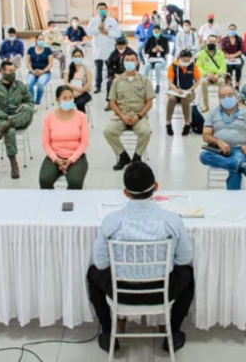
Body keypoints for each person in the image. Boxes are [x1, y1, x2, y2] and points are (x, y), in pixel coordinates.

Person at [87, 162, 194, 353]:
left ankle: (108, 331)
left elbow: (101, 263)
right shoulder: (172, 220)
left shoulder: (112, 221)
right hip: (162, 292)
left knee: (92, 273)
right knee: (188, 273)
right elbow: (184, 259)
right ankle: (174, 332)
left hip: (121, 291)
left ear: (126, 193)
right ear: (156, 187)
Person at [200, 85, 246, 190]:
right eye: (223, 96)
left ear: (236, 97)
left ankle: (233, 199)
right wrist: (219, 142)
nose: (226, 98)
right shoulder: (212, 114)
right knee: (204, 156)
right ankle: (239, 165)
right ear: (219, 99)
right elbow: (206, 135)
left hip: (238, 149)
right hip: (217, 149)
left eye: (230, 95)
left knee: (235, 168)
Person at [104, 52, 154, 170]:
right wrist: (122, 116)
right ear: (123, 62)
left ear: (137, 62)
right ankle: (123, 156)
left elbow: (149, 102)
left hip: (139, 115)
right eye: (127, 60)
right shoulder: (117, 81)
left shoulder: (144, 80)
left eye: (132, 60)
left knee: (146, 132)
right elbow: (112, 102)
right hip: (121, 115)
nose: (130, 62)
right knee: (108, 131)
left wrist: (139, 116)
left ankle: (137, 157)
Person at [0, 61, 35, 179]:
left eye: (13, 71)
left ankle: (6, 125)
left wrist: (25, 106)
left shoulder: (20, 85)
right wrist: (6, 117)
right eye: (9, 71)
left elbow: (30, 101)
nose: (12, 73)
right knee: (10, 131)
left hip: (19, 116)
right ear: (2, 71)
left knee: (28, 110)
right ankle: (14, 163)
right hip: (0, 119)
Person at [40, 85, 90, 190]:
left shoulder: (81, 116)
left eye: (70, 98)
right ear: (57, 100)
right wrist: (55, 159)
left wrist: (71, 159)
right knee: (44, 180)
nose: (68, 100)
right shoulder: (49, 118)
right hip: (54, 156)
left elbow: (84, 143)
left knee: (75, 182)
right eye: (64, 98)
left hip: (76, 157)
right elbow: (46, 143)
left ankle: (71, 204)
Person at [87, 2, 122, 95]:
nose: (102, 10)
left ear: (106, 10)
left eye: (103, 8)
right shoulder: (93, 20)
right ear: (97, 10)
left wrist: (107, 32)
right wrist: (98, 29)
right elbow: (89, 33)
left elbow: (118, 33)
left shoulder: (112, 21)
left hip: (109, 49)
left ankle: (111, 87)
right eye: (100, 9)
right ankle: (97, 86)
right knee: (98, 69)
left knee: (110, 69)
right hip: (98, 49)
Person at [166, 50, 201, 136]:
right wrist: (176, 90)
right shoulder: (173, 66)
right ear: (179, 58)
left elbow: (197, 81)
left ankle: (187, 124)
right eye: (184, 60)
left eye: (187, 60)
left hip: (188, 91)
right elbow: (170, 82)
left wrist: (190, 89)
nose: (186, 62)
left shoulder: (193, 66)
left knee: (185, 100)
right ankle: (168, 123)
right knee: (171, 99)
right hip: (175, 91)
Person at [196, 35, 227, 112]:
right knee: (203, 82)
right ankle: (205, 105)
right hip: (206, 76)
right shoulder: (201, 54)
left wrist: (217, 75)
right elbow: (198, 67)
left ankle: (222, 104)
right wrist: (207, 74)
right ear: (206, 42)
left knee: (222, 82)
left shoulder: (220, 54)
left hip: (217, 75)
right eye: (210, 41)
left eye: (214, 42)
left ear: (216, 43)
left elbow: (223, 67)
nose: (211, 43)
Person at [105, 37, 137, 108]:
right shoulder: (114, 53)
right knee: (110, 82)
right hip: (117, 72)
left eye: (122, 45)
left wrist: (130, 72)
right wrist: (114, 73)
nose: (120, 46)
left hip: (129, 72)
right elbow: (109, 65)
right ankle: (110, 102)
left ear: (125, 45)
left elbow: (136, 63)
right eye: (119, 45)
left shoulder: (130, 52)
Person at [25, 35, 54, 105]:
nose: (41, 41)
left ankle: (37, 101)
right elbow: (27, 63)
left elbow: (50, 64)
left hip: (45, 73)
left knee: (40, 84)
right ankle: (31, 101)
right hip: (32, 72)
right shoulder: (30, 50)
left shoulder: (48, 50)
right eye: (40, 39)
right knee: (28, 84)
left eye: (43, 40)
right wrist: (32, 71)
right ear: (36, 40)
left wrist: (43, 71)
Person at [65, 48, 93, 113]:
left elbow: (88, 83)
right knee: (65, 104)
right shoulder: (68, 68)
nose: (77, 58)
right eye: (75, 56)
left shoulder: (87, 69)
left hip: (84, 92)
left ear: (82, 57)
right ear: (72, 57)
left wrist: (80, 91)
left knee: (79, 103)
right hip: (71, 92)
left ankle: (82, 121)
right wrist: (72, 93)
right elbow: (66, 83)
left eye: (79, 56)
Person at [143, 26, 170, 94]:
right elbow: (145, 51)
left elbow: (168, 51)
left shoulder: (164, 39)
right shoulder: (150, 39)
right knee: (147, 66)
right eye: (155, 32)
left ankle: (158, 85)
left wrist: (162, 50)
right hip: (152, 59)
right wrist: (152, 50)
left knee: (157, 66)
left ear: (160, 31)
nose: (156, 33)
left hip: (161, 59)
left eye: (157, 32)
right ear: (153, 32)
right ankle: (145, 84)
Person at [221, 23, 244, 89]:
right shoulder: (224, 39)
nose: (232, 30)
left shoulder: (239, 39)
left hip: (237, 57)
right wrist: (229, 57)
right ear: (228, 30)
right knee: (228, 66)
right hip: (227, 58)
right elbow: (223, 51)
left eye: (234, 29)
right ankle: (229, 83)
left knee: (238, 66)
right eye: (231, 29)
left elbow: (241, 50)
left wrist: (233, 56)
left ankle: (237, 83)